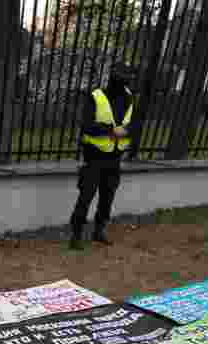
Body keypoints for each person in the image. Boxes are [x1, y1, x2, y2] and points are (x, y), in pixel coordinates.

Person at [68, 62, 137, 250]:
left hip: (115, 158)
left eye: (127, 76)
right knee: (86, 197)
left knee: (107, 197)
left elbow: (134, 124)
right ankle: (76, 234)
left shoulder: (130, 98)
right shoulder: (96, 96)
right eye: (120, 75)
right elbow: (87, 125)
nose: (124, 79)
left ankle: (99, 231)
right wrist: (112, 131)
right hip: (94, 157)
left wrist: (127, 131)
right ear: (112, 76)